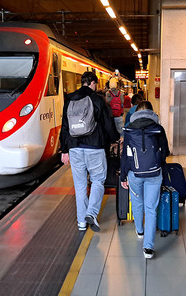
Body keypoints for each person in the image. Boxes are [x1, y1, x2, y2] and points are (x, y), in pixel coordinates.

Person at [60, 71, 120, 232]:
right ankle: (91, 214)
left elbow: (65, 126)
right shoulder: (98, 99)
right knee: (98, 181)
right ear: (93, 83)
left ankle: (81, 222)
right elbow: (108, 124)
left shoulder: (70, 99)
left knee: (80, 186)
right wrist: (115, 138)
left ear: (82, 82)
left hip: (74, 148)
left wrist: (64, 150)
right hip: (95, 147)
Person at [120, 101, 170, 259]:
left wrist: (123, 175)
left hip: (134, 173)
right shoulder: (158, 128)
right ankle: (148, 248)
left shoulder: (129, 129)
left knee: (137, 202)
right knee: (150, 209)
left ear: (136, 112)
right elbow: (166, 152)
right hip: (154, 173)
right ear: (151, 112)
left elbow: (125, 156)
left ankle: (139, 231)